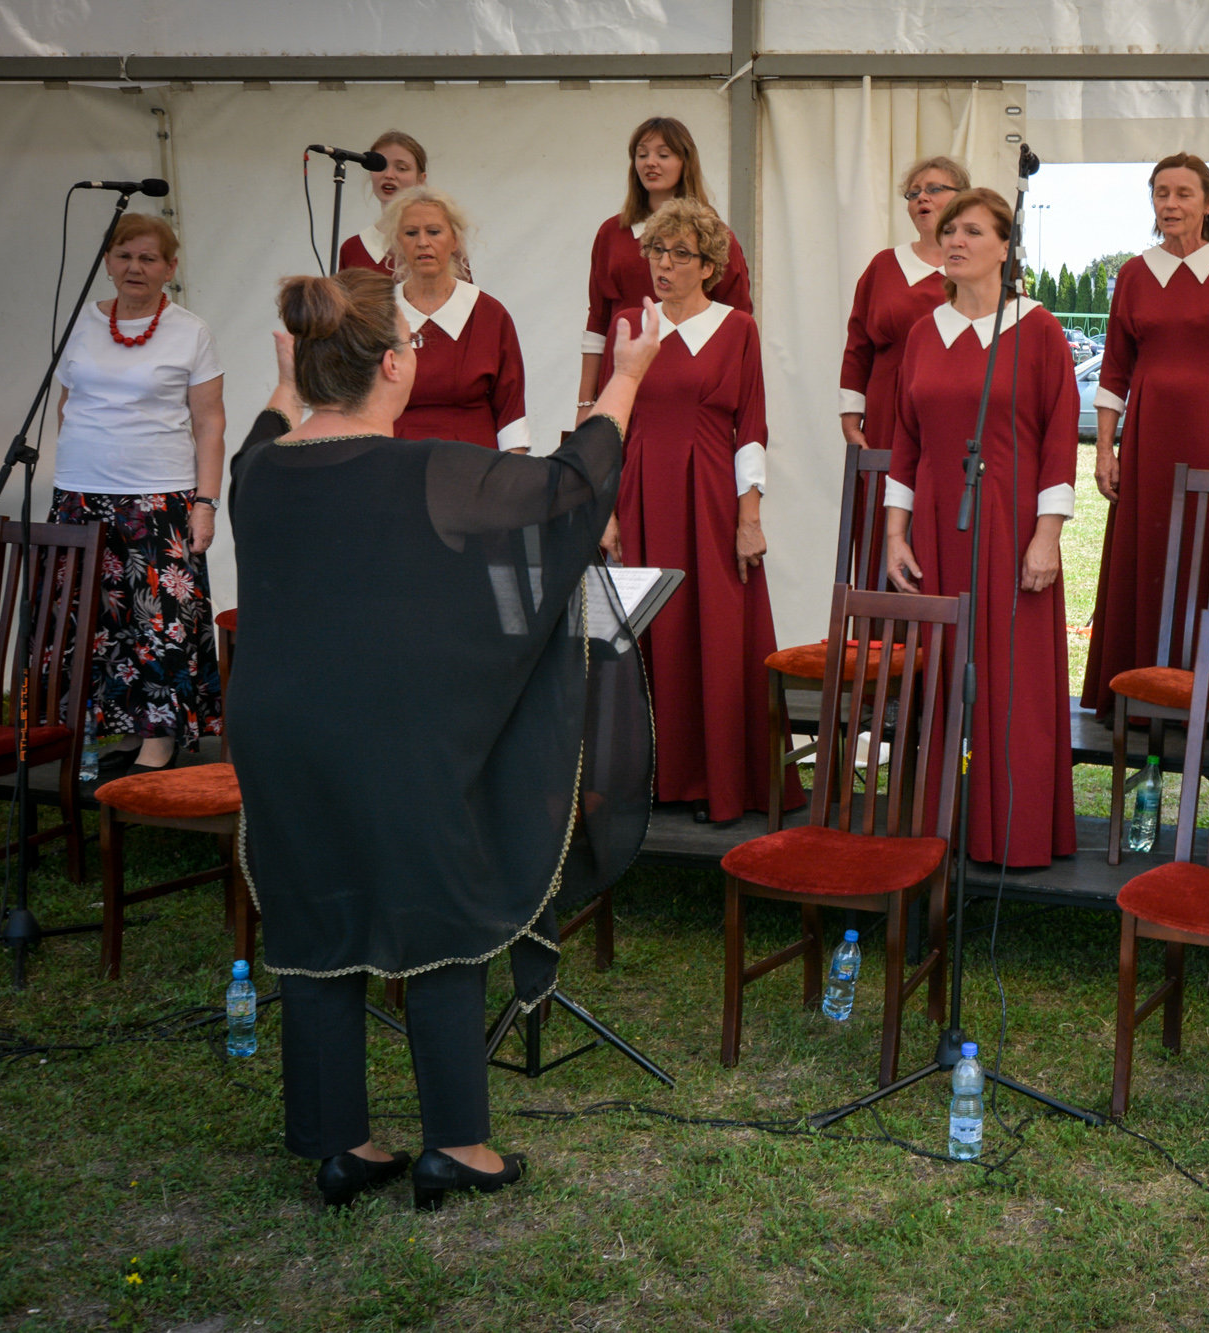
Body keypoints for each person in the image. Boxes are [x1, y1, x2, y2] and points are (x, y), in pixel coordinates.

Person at [227, 267, 662, 1209]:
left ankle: (341, 1144)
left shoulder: (256, 472)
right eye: (411, 345)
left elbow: (268, 424)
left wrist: (287, 380)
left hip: (276, 729)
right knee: (438, 911)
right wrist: (627, 376)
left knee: (316, 908)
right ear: (392, 365)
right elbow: (568, 487)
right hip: (396, 732)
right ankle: (456, 1145)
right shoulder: (427, 469)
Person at [885, 188, 1079, 867]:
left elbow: (1060, 440)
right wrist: (895, 533)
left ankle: (1015, 835)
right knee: (943, 674)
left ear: (1004, 246)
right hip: (939, 525)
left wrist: (1047, 537)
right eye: (949, 231)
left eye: (971, 230)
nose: (955, 241)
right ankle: (943, 830)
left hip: (1014, 527)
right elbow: (904, 441)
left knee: (1013, 680)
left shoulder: (1040, 329)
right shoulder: (922, 333)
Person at [615, 197, 796, 822]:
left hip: (712, 496)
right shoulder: (630, 326)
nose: (663, 264)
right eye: (657, 251)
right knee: (648, 631)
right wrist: (606, 511)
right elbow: (611, 422)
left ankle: (714, 781)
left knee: (714, 631)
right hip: (641, 493)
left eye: (679, 254)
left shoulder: (737, 328)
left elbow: (752, 429)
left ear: (709, 266)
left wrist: (750, 518)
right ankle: (653, 779)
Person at [1079, 152, 1209, 717]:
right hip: (1146, 438)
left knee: (1207, 553)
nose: (1171, 203)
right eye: (1161, 193)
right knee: (1146, 548)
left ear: (1208, 203)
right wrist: (1105, 450)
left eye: (1183, 193)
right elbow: (1114, 369)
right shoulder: (1134, 274)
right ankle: (1137, 687)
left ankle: (1207, 691)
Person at [51, 212, 223, 774]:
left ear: (170, 268)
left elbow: (210, 423)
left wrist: (205, 503)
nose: (135, 267)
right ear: (107, 261)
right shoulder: (81, 322)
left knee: (159, 623)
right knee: (95, 623)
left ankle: (159, 742)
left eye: (149, 258)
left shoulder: (190, 331)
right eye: (124, 256)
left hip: (158, 498)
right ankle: (115, 731)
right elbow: (67, 404)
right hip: (80, 496)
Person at [579, 116, 750, 422]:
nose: (650, 163)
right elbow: (598, 322)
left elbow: (737, 326)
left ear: (685, 161)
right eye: (642, 154)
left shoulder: (716, 237)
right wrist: (585, 403)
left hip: (692, 388)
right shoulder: (612, 234)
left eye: (663, 154)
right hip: (621, 384)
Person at [380, 185, 531, 452]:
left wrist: (511, 473)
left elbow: (512, 412)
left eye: (434, 232)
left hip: (473, 462)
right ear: (398, 243)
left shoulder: (489, 314)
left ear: (454, 240)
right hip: (394, 459)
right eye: (411, 233)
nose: (423, 242)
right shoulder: (378, 314)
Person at [839, 155, 971, 457]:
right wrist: (851, 419)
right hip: (889, 413)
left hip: (958, 410)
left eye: (934, 189)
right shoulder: (884, 266)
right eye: (913, 193)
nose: (922, 197)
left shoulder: (980, 269)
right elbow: (858, 347)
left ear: (962, 200)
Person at [336, 130, 428, 276]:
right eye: (381, 166)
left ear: (421, 180)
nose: (389, 175)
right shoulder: (353, 248)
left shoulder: (440, 242)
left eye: (401, 168)